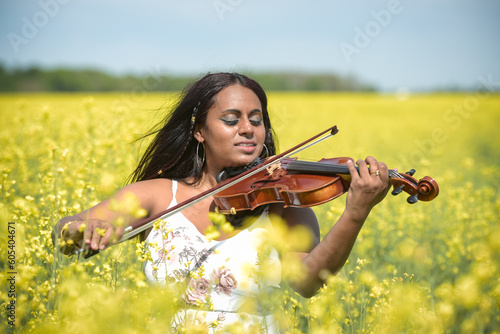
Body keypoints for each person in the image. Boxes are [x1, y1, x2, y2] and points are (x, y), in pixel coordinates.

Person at [52, 72, 391, 332]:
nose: (248, 129)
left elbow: (307, 282)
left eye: (256, 120)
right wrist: (83, 228)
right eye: (231, 120)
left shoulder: (281, 202)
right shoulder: (157, 194)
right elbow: (64, 234)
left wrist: (356, 212)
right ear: (199, 131)